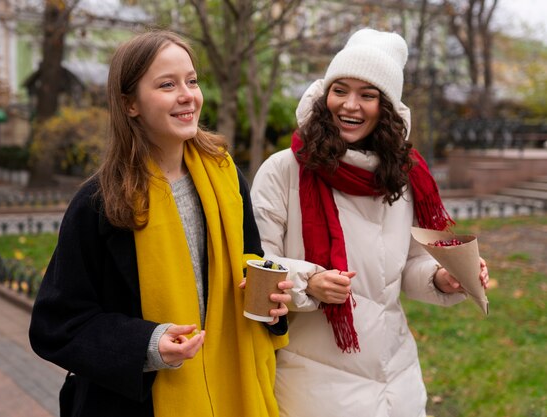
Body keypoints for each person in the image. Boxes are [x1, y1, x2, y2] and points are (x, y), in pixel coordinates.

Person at [29, 29, 292, 417]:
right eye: (167, 84)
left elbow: (250, 259)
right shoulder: (101, 203)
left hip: (231, 391)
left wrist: (270, 301)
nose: (187, 95)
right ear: (130, 104)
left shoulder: (226, 177)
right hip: (139, 405)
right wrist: (148, 344)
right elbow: (56, 323)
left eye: (192, 81)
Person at [250, 28, 490, 417]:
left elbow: (407, 265)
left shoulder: (403, 174)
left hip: (397, 376)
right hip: (311, 382)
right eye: (340, 89)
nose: (350, 105)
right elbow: (256, 265)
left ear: (388, 107)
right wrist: (309, 281)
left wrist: (440, 277)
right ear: (324, 94)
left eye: (368, 95)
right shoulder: (284, 170)